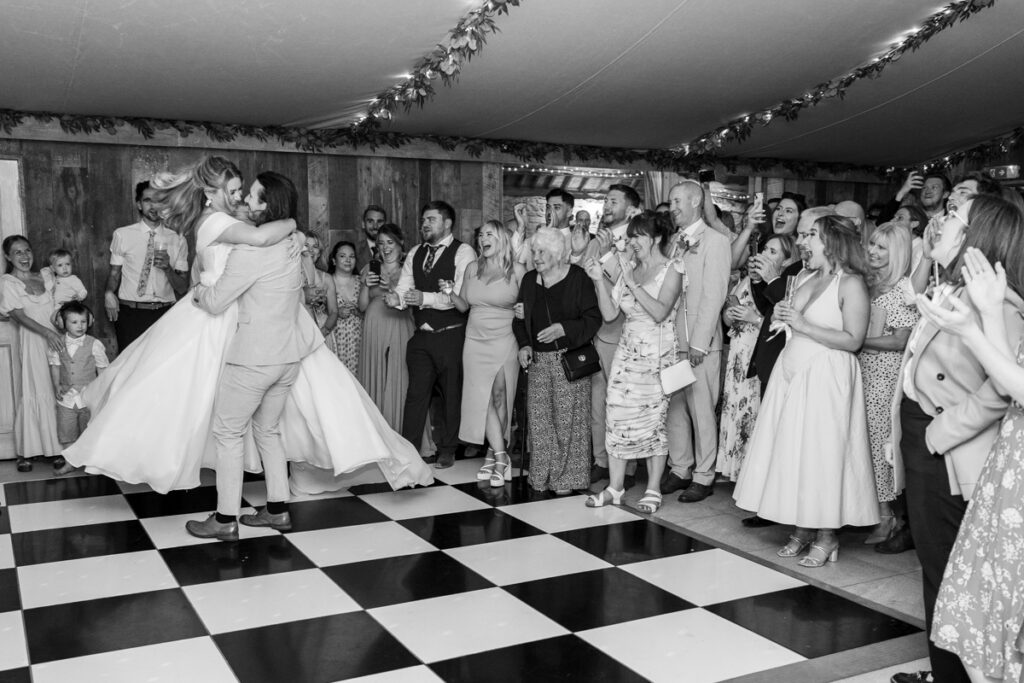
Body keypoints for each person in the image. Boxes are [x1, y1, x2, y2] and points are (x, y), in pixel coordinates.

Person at [63, 157, 433, 496]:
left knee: (283, 404)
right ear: (211, 192)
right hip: (217, 313)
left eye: (242, 190)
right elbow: (259, 239)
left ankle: (270, 493)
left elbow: (261, 242)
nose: (240, 197)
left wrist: (295, 239)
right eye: (234, 190)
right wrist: (293, 226)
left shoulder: (230, 220)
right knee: (193, 397)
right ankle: (241, 498)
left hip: (246, 314)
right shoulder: (215, 221)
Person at [887, 196, 1024, 683]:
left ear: (976, 237)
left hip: (951, 450)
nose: (940, 222)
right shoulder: (950, 287)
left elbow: (1003, 389)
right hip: (923, 433)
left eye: (954, 217)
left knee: (950, 574)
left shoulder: (1000, 305)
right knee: (936, 567)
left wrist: (938, 433)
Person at [734, 214, 879, 567]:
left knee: (824, 455)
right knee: (795, 454)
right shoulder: (804, 276)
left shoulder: (851, 284)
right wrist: (782, 316)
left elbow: (854, 340)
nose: (803, 242)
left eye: (811, 235)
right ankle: (801, 527)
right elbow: (790, 321)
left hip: (827, 376)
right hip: (792, 373)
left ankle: (827, 535)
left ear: (831, 242)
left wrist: (802, 323)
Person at [584, 212, 682, 512]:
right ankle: (615, 487)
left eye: (638, 236)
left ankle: (653, 488)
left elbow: (660, 312)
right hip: (626, 354)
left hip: (656, 355)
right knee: (616, 416)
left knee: (653, 422)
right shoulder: (631, 268)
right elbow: (610, 314)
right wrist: (598, 281)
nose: (631, 242)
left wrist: (632, 282)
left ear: (655, 238)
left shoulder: (673, 269)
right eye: (630, 237)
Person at [513, 227, 601, 496]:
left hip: (568, 360)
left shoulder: (578, 278)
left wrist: (563, 329)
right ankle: (542, 475)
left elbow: (593, 319)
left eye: (542, 252)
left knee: (568, 423)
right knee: (539, 421)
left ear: (557, 253)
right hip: (538, 362)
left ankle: (566, 478)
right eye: (534, 251)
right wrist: (524, 344)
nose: (536, 257)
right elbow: (519, 320)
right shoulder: (529, 280)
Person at [388, 200, 475, 469]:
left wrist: (423, 298)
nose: (424, 224)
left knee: (451, 395)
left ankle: (448, 449)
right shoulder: (416, 252)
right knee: (416, 396)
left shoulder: (464, 252)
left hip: (451, 335)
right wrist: (396, 300)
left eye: (431, 219)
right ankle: (409, 450)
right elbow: (404, 287)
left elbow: (459, 296)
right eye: (423, 220)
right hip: (421, 336)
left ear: (447, 223)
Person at [663, 181, 731, 503]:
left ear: (695, 201)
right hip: (672, 339)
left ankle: (704, 475)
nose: (672, 207)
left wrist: (699, 343)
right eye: (671, 202)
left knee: (702, 411)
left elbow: (714, 295)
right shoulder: (673, 242)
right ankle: (680, 468)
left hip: (699, 343)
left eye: (677, 201)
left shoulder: (716, 241)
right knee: (675, 409)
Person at [857, 223, 920, 546]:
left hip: (885, 377)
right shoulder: (866, 285)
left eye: (881, 247)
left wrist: (855, 340)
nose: (872, 251)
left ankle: (888, 514)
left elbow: (899, 341)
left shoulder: (902, 289)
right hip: (860, 370)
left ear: (897, 252)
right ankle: (870, 509)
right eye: (872, 244)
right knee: (862, 443)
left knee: (879, 446)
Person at [450, 220, 525, 486]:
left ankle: (494, 456)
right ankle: (501, 457)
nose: (483, 238)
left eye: (489, 234)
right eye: (480, 234)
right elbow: (463, 305)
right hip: (475, 339)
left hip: (505, 337)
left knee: (500, 396)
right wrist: (449, 292)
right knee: (481, 398)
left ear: (502, 239)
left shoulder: (518, 269)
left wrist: (525, 310)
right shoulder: (472, 268)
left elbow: (531, 303)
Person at [718, 234, 794, 481]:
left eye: (773, 252)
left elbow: (783, 329)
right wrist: (730, 314)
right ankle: (734, 471)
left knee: (751, 414)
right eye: (765, 249)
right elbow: (727, 319)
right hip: (738, 355)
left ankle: (751, 475)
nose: (765, 255)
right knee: (735, 411)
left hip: (757, 354)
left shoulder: (783, 287)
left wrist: (755, 318)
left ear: (786, 260)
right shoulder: (748, 280)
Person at [587, 184, 643, 489]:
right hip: (597, 331)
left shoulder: (635, 240)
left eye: (613, 201)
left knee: (623, 403)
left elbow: (626, 279)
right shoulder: (599, 239)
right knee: (598, 403)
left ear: (630, 208)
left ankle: (628, 466)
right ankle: (601, 461)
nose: (606, 206)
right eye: (605, 200)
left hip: (622, 331)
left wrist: (608, 252)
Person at [0, 235, 63, 471]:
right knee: (35, 389)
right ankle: (27, 451)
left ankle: (58, 447)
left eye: (27, 250)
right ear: (8, 257)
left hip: (57, 340)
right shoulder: (9, 283)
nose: (25, 256)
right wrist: (47, 333)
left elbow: (61, 303)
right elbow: (18, 315)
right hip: (32, 341)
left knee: (57, 388)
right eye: (18, 252)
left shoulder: (46, 276)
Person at [104, 180, 189, 352]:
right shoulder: (123, 235)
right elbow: (114, 273)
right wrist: (108, 293)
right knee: (128, 364)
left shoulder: (177, 239)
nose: (153, 206)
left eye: (159, 201)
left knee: (161, 364)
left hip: (164, 314)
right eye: (148, 200)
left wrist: (167, 268)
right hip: (130, 314)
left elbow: (182, 287)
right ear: (139, 204)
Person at [359, 223, 413, 429]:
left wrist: (390, 287)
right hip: (373, 328)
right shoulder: (370, 268)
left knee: (399, 375)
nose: (385, 247)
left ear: (400, 244)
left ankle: (398, 428)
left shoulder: (408, 270)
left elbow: (411, 302)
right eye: (381, 243)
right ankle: (375, 431)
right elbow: (362, 306)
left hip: (400, 326)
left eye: (390, 242)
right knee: (375, 375)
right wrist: (366, 285)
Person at [50, 302, 108, 466]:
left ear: (89, 321)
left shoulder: (94, 344)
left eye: (83, 321)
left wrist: (101, 390)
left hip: (87, 396)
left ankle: (91, 462)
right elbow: (55, 366)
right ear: (62, 323)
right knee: (66, 431)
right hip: (66, 398)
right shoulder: (58, 344)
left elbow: (102, 368)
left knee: (89, 430)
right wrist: (56, 385)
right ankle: (70, 463)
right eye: (74, 322)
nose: (80, 326)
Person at [326, 240, 361, 374]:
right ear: (334, 260)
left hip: (358, 340)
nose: (348, 260)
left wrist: (359, 312)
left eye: (351, 256)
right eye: (342, 256)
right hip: (334, 339)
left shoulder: (362, 282)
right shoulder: (326, 281)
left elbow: (371, 311)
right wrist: (336, 312)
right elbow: (316, 311)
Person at [299, 231, 338, 342]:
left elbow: (334, 311)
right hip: (298, 331)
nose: (310, 250)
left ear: (319, 253)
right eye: (306, 245)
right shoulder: (291, 275)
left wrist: (322, 332)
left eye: (315, 247)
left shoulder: (327, 278)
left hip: (321, 330)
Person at [355, 204, 387, 270]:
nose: (375, 226)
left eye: (379, 222)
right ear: (363, 224)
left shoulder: (395, 250)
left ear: (385, 225)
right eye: (370, 221)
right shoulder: (355, 251)